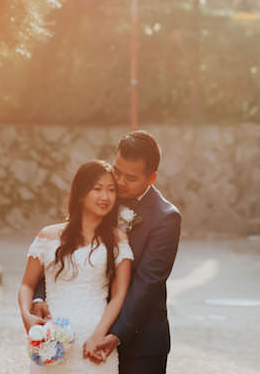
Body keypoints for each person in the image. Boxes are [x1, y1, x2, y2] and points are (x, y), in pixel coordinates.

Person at [34, 131, 182, 374]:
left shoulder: (166, 218)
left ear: (151, 178)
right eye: (117, 171)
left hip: (140, 343)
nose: (120, 182)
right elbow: (64, 250)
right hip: (86, 333)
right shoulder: (103, 196)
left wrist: (115, 334)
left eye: (131, 178)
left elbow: (147, 283)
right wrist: (39, 297)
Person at [19, 160, 134, 372]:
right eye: (97, 189)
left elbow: (119, 294)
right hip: (52, 339)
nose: (105, 197)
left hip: (94, 339)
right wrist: (27, 316)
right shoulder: (48, 236)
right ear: (81, 194)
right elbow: (27, 284)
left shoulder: (118, 240)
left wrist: (100, 334)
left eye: (111, 190)